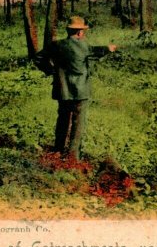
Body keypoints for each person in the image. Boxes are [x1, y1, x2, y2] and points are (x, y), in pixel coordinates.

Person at [37, 16, 116, 159]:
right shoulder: (84, 46)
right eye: (83, 31)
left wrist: (50, 70)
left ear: (68, 30)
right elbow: (94, 51)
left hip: (63, 90)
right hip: (80, 91)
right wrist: (108, 49)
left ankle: (58, 149)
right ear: (79, 32)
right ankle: (73, 155)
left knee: (62, 119)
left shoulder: (56, 45)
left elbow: (38, 58)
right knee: (78, 123)